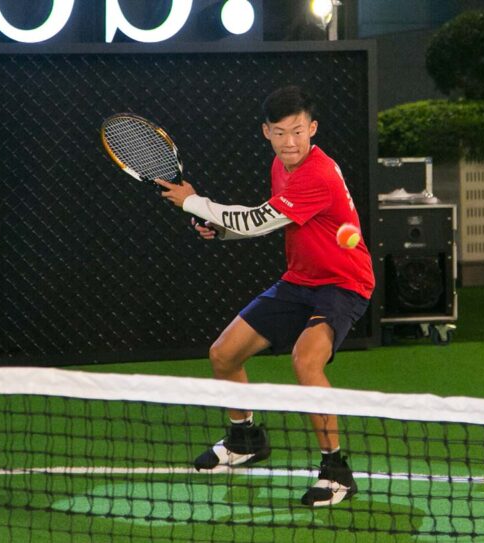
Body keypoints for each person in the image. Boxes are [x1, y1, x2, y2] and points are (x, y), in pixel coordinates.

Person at [156, 85, 375, 507]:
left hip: (343, 283)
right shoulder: (281, 165)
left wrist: (194, 202)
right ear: (266, 132)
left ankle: (336, 472)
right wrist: (220, 230)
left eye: (297, 131)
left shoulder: (318, 173)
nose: (289, 142)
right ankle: (245, 439)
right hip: (300, 280)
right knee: (224, 354)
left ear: (312, 128)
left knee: (306, 361)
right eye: (280, 132)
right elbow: (271, 220)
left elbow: (257, 220)